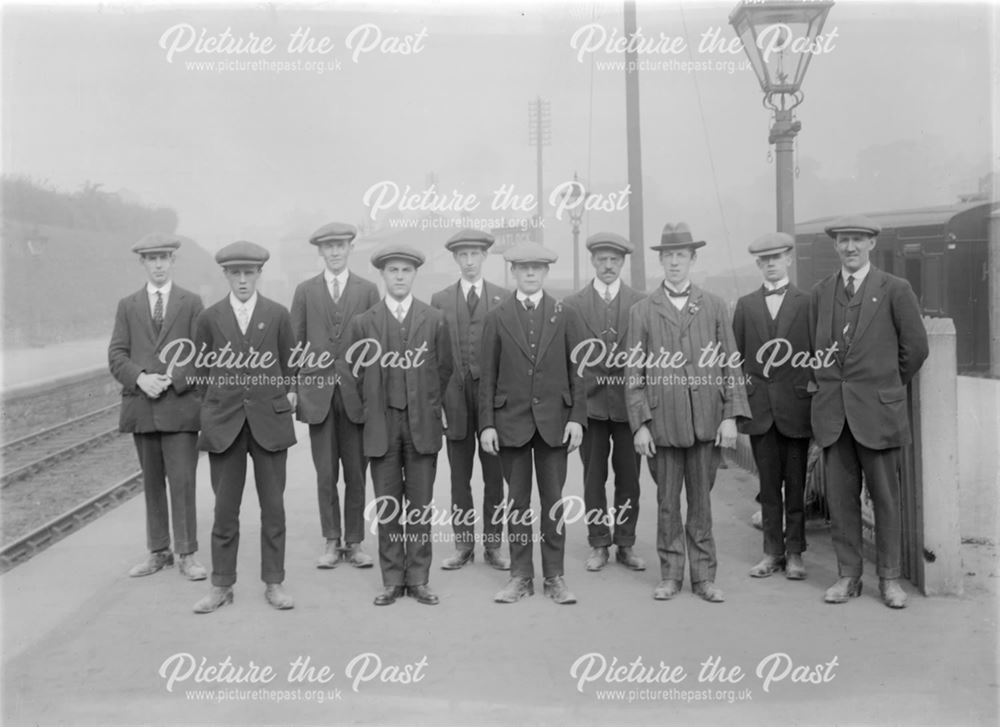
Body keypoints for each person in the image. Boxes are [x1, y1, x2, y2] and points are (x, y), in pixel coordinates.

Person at [626, 223, 750, 603]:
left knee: (701, 503)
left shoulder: (713, 305)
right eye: (668, 256)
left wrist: (730, 415)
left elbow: (731, 363)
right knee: (667, 503)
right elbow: (633, 374)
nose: (675, 262)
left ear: (693, 259)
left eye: (681, 255)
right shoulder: (643, 311)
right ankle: (670, 575)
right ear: (660, 261)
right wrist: (640, 425)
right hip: (662, 424)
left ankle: (703, 578)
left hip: (706, 423)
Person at [810, 215, 928, 609]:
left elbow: (915, 349)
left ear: (872, 245)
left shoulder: (895, 289)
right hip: (833, 417)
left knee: (885, 498)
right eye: (844, 240)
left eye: (858, 240)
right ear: (835, 246)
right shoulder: (822, 292)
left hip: (877, 415)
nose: (850, 247)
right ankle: (848, 577)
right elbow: (816, 351)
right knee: (841, 501)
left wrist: (885, 388)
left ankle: (890, 579)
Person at [192, 241, 298, 613]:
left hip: (269, 424)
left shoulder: (278, 314)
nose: (241, 280)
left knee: (273, 508)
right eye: (235, 273)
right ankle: (221, 585)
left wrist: (283, 395)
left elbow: (290, 365)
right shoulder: (209, 318)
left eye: (248, 273)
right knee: (224, 511)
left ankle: (274, 582)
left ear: (258, 275)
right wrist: (215, 409)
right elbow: (201, 373)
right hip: (225, 426)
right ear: (225, 275)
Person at [479, 241, 586, 605]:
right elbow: (487, 377)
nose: (529, 273)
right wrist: (487, 425)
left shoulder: (565, 313)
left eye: (536, 268)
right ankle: (521, 576)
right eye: (523, 267)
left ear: (545, 272)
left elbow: (579, 373)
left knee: (553, 501)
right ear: (513, 272)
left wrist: (577, 420)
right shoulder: (497, 317)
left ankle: (554, 577)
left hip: (555, 423)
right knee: (518, 503)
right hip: (511, 424)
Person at [346, 244, 452, 606]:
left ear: (415, 275)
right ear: (383, 275)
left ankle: (419, 578)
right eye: (393, 271)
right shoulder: (365, 322)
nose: (400, 277)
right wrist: (371, 411)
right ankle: (392, 579)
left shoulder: (434, 319)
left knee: (420, 505)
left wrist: (429, 407)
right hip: (382, 425)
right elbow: (354, 374)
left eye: (406, 271)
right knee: (388, 505)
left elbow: (444, 369)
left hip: (421, 424)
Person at [108, 232, 206, 581]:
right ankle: (158, 551)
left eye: (164, 258)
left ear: (172, 261)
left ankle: (187, 553)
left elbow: (204, 354)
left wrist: (173, 378)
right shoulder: (128, 305)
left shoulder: (191, 303)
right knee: (151, 484)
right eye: (152, 259)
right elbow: (116, 354)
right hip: (143, 410)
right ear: (143, 263)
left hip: (180, 409)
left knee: (183, 483)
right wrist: (140, 378)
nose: (159, 264)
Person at [290, 221, 379, 570]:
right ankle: (331, 540)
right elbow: (295, 343)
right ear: (320, 252)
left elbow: (375, 348)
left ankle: (354, 542)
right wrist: (294, 388)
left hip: (356, 397)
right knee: (325, 472)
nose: (336, 252)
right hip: (317, 396)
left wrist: (374, 395)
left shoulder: (368, 290)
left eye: (341, 246)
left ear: (350, 249)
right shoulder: (305, 291)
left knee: (356, 472)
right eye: (329, 247)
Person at [562, 232, 646, 573]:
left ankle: (625, 543)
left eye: (614, 260)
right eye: (602, 260)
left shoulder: (640, 302)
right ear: (593, 262)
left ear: (622, 262)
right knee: (592, 478)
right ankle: (598, 542)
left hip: (628, 408)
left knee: (630, 479)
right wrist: (573, 410)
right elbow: (568, 361)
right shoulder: (573, 304)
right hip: (591, 408)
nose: (608, 266)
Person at [732, 232, 813, 580]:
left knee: (795, 485)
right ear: (758, 265)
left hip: (796, 410)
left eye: (776, 258)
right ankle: (771, 552)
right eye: (764, 260)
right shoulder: (746, 305)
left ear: (789, 260)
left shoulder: (808, 303)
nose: (771, 264)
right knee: (767, 487)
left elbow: (815, 356)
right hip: (761, 411)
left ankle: (795, 553)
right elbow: (734, 360)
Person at [431, 229, 510, 571]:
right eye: (462, 255)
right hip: (455, 402)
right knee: (459, 478)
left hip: (491, 403)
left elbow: (508, 357)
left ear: (484, 257)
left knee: (495, 478)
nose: (469, 261)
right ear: (455, 259)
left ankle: (493, 545)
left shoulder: (503, 298)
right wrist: (439, 407)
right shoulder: (441, 299)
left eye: (474, 254)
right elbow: (434, 358)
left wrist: (505, 407)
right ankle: (463, 544)